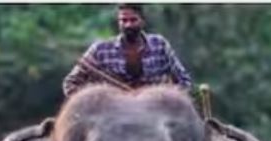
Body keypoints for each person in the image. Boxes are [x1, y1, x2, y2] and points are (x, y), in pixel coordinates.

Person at [63, 4, 192, 97]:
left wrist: (167, 101)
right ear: (118, 23)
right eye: (124, 20)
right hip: (111, 113)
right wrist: (95, 102)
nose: (128, 25)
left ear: (142, 21)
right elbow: (70, 83)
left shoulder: (160, 45)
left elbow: (184, 80)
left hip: (153, 112)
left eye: (133, 20)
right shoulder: (100, 49)